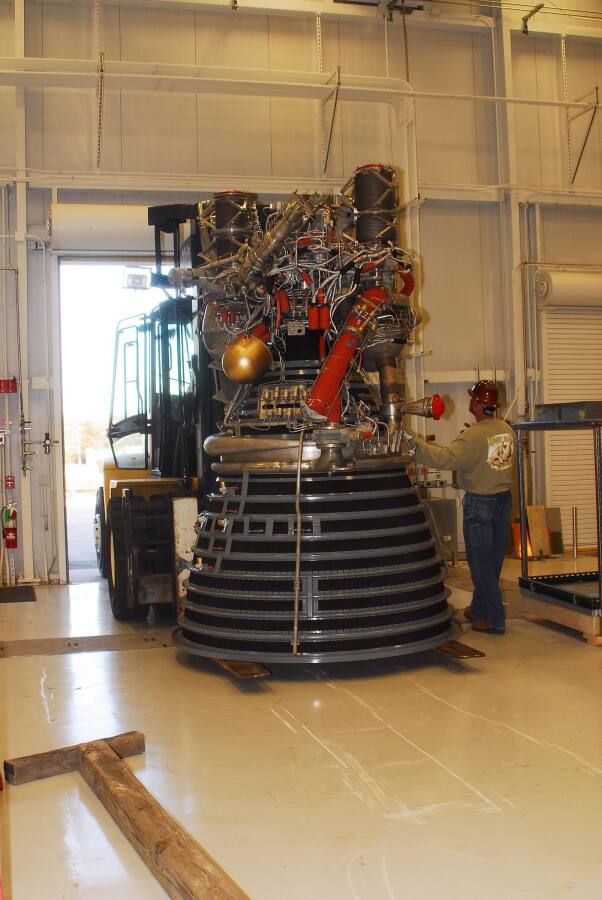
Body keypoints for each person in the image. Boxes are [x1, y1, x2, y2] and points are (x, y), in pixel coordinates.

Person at [407, 380, 515, 635]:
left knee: (480, 565)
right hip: (503, 501)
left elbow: (445, 459)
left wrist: (412, 444)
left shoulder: (473, 436)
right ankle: (479, 609)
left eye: (472, 398)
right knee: (492, 561)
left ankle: (495, 619)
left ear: (478, 403)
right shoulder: (505, 430)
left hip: (481, 504)